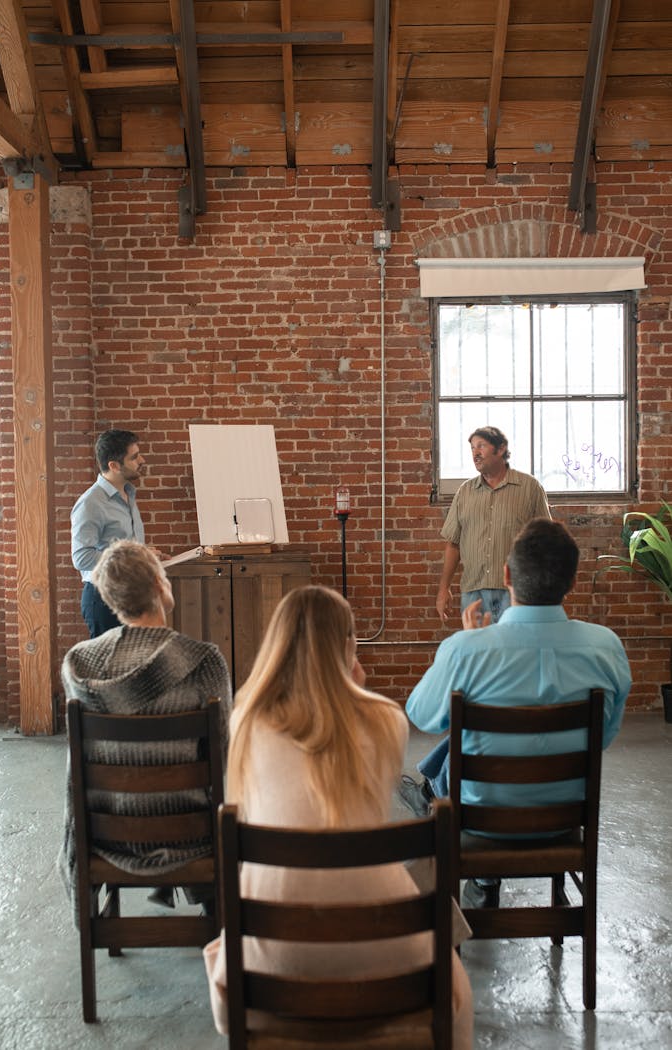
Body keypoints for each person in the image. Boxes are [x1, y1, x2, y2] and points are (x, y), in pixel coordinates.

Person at [204, 585, 473, 1049]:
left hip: (273, 948)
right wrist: (359, 686)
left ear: (277, 644)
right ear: (349, 646)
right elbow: (367, 806)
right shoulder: (387, 720)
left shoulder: (245, 719)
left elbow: (244, 805)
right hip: (382, 941)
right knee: (457, 979)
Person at [402, 518, 631, 909]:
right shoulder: (606, 648)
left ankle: (476, 877)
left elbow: (422, 715)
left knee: (451, 752)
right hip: (564, 819)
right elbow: (604, 737)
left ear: (506, 575)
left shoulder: (467, 649)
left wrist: (471, 642)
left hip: (480, 818)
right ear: (571, 582)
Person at [58, 539, 232, 924]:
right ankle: (213, 907)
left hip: (107, 836)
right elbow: (221, 751)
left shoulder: (79, 663)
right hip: (190, 834)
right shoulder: (204, 662)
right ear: (159, 584)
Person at [436, 426, 550, 625]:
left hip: (517, 593)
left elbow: (546, 542)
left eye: (481, 446)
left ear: (500, 449)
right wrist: (443, 589)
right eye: (472, 448)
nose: (475, 453)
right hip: (474, 593)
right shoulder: (465, 492)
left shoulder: (530, 488)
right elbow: (453, 544)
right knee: (479, 652)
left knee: (516, 652)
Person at [71, 429, 153, 637]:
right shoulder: (91, 503)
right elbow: (82, 557)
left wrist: (145, 554)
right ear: (114, 465)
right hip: (104, 598)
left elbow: (119, 546)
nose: (141, 460)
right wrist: (133, 558)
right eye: (134, 457)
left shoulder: (128, 494)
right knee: (110, 668)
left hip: (130, 595)